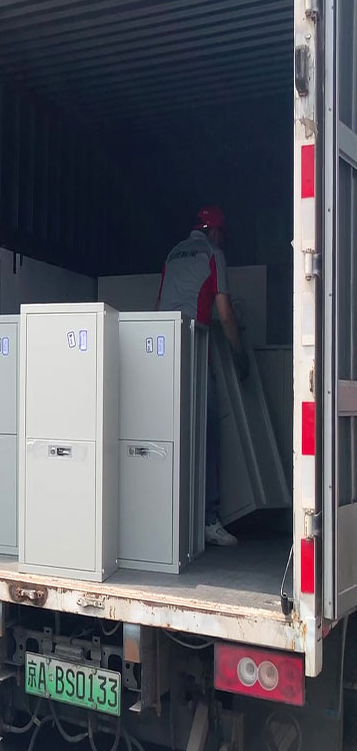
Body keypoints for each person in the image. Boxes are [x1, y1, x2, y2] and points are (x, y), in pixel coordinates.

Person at [157, 206, 249, 547]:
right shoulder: (213, 254)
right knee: (208, 432)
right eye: (223, 235)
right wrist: (241, 358)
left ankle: (168, 517)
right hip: (194, 348)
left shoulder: (173, 253)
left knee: (171, 434)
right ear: (215, 232)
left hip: (163, 349)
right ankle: (209, 520)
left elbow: (159, 303)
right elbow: (224, 314)